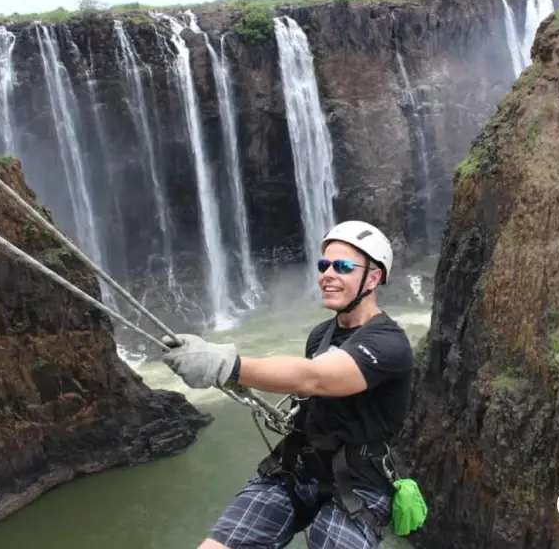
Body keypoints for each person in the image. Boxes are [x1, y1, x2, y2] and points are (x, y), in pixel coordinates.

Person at [162, 220, 415, 549]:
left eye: (343, 267)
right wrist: (246, 379)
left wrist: (227, 364)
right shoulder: (319, 336)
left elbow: (315, 378)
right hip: (299, 470)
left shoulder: (390, 344)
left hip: (360, 485)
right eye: (324, 265)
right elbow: (307, 380)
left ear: (374, 277)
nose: (328, 274)